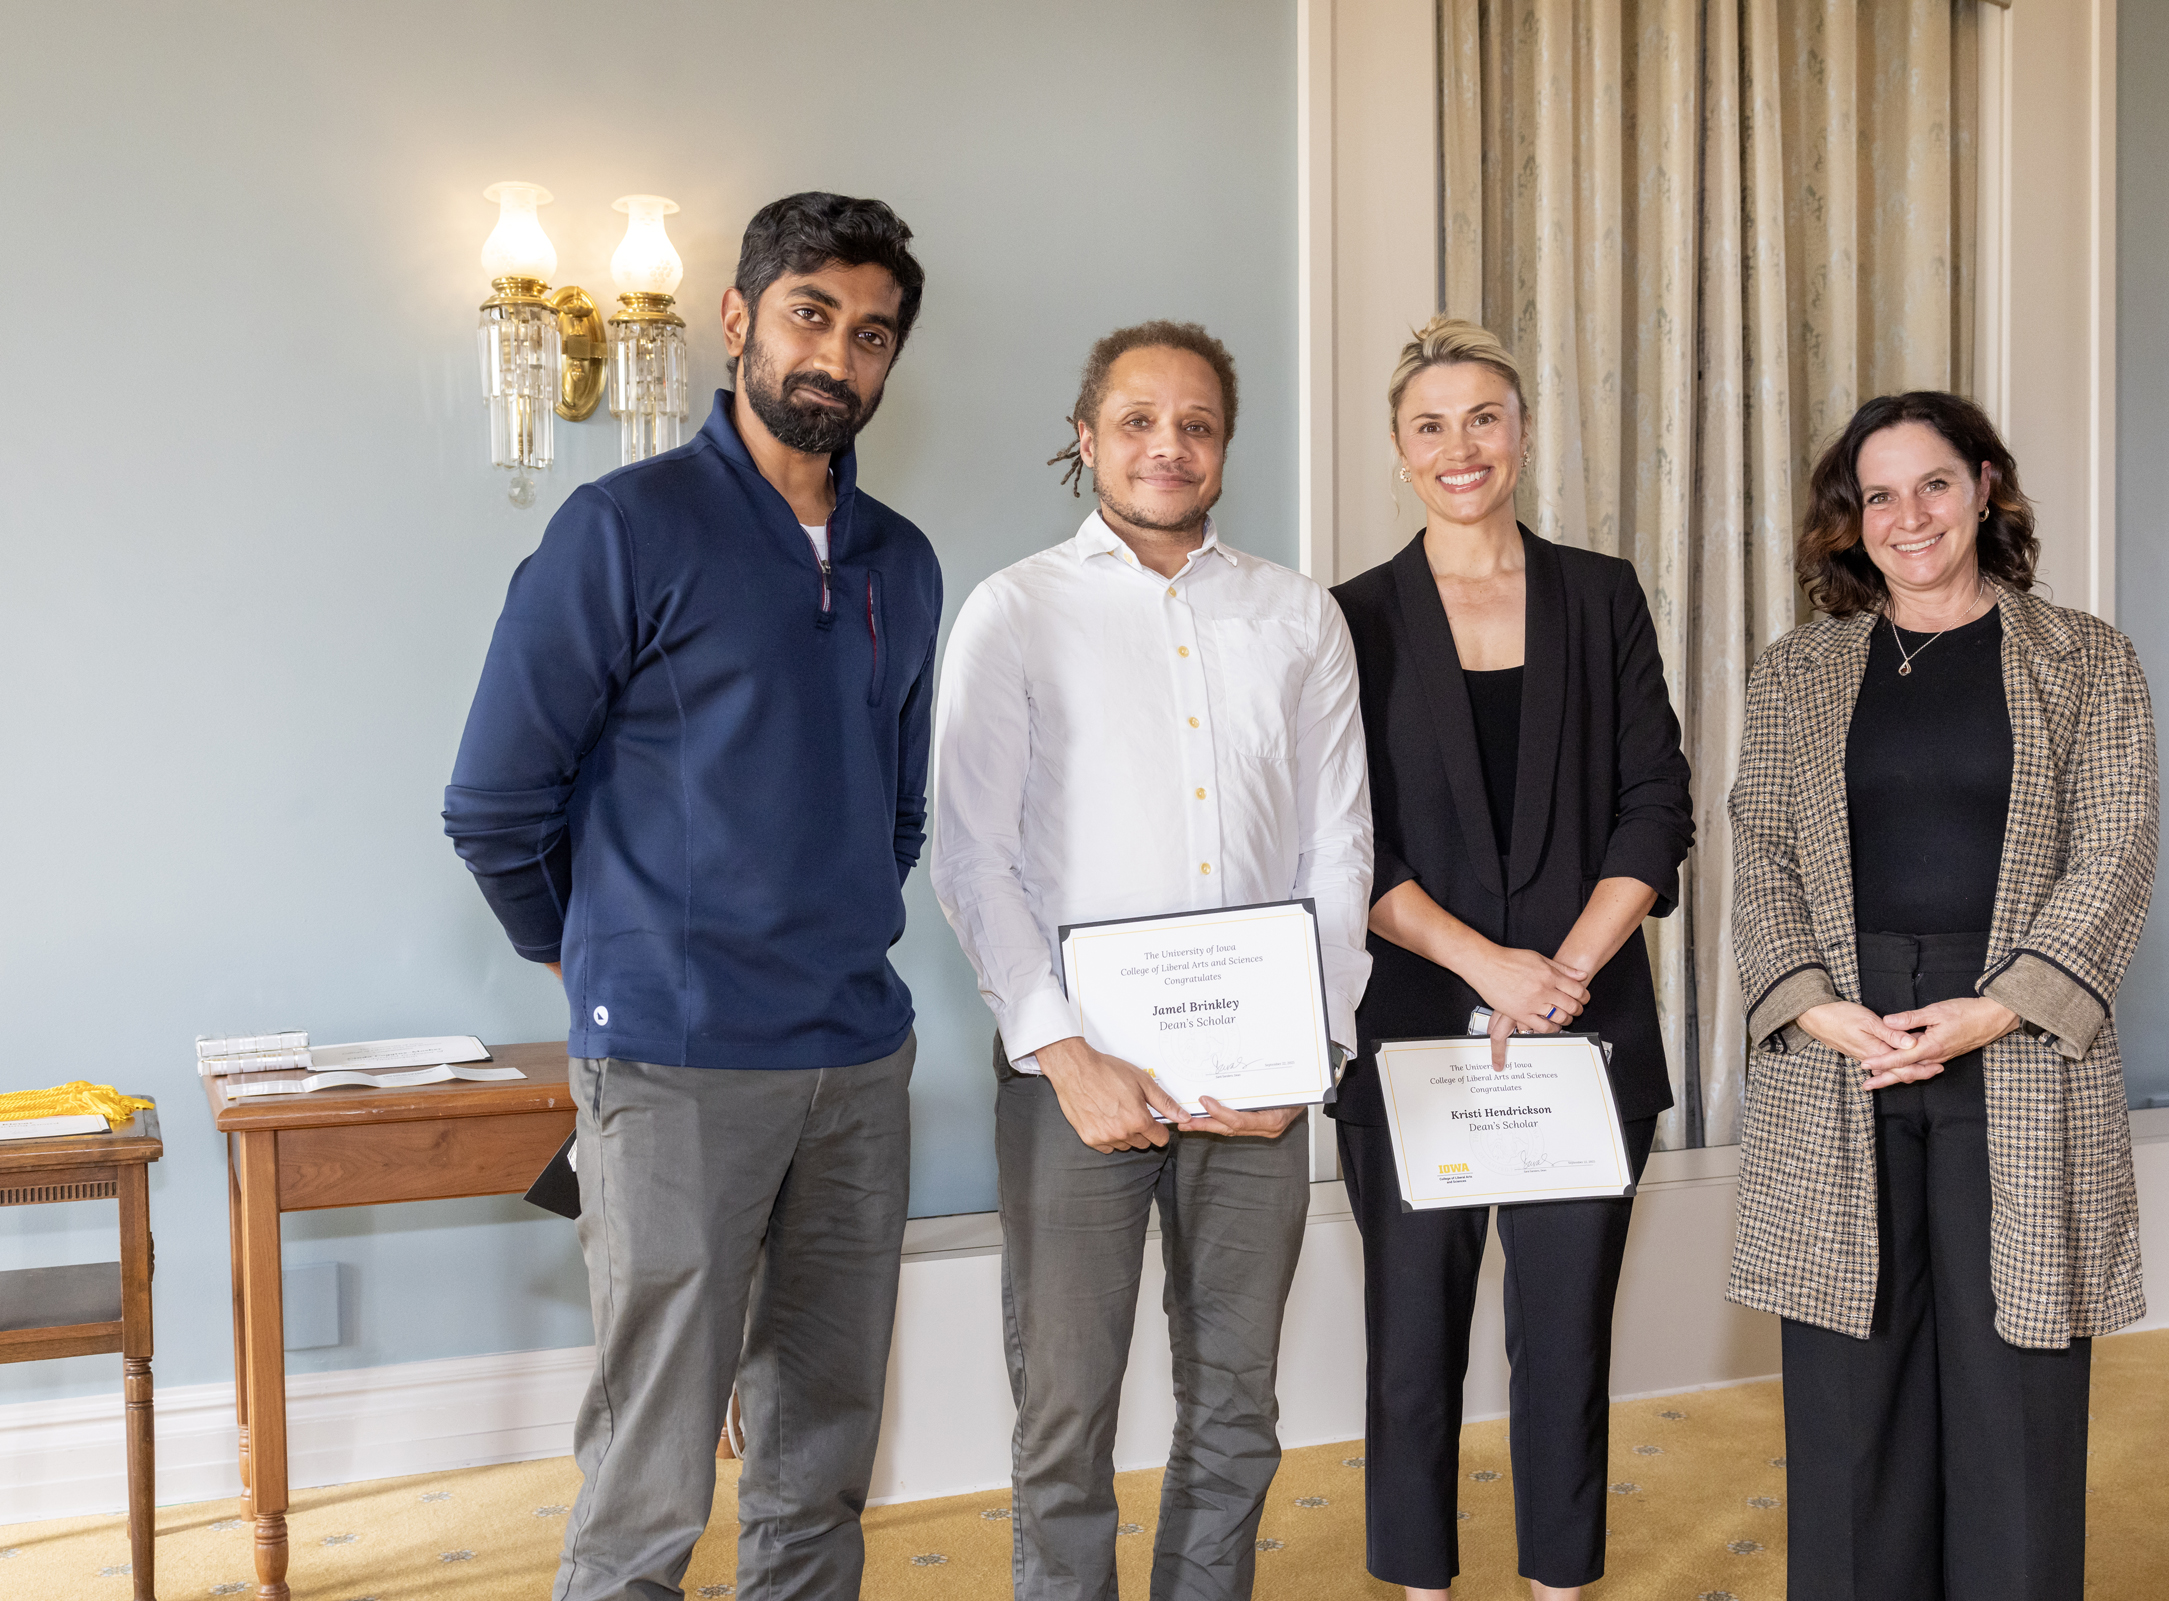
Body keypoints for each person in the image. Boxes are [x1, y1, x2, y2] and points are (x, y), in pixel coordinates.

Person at [442, 192, 940, 1601]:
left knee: (823, 1445)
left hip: (857, 1058)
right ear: (737, 319)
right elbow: (492, 804)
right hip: (670, 1060)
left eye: (871, 333)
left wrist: (830, 912)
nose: (836, 355)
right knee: (653, 1466)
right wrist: (588, 958)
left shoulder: (905, 560)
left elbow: (896, 807)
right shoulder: (623, 529)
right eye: (810, 315)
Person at [929, 320, 1372, 1601]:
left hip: (1261, 1080)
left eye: (1195, 424)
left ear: (1225, 447)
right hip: (1077, 1076)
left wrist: (1315, 1047)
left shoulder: (1299, 616)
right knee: (1063, 1410)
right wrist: (1062, 1050)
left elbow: (1339, 847)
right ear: (1086, 438)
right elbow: (971, 855)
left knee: (1238, 1402)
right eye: (1136, 420)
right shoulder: (1015, 610)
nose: (1167, 446)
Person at [1726, 391, 2159, 1600]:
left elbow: (2116, 846)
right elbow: (1758, 844)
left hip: (2016, 1037)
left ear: (1983, 488)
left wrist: (1997, 1003)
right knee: (1846, 1382)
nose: (1906, 516)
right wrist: (1813, 1001)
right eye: (1877, 494)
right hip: (1841, 1039)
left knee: (2013, 1375)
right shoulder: (1796, 673)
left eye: (1932, 484)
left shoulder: (2088, 658)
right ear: (1847, 520)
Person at [1325, 317, 1693, 1599]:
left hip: (1585, 1027)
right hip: (1416, 1027)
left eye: (1485, 416)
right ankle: (1419, 1585)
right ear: (1398, 449)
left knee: (1566, 1332)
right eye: (1432, 424)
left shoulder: (1603, 593)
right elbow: (1343, 843)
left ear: (1524, 432)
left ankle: (1557, 1583)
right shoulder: (1351, 619)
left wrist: (1564, 974)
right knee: (1411, 1338)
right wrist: (1493, 966)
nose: (1461, 446)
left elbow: (1658, 801)